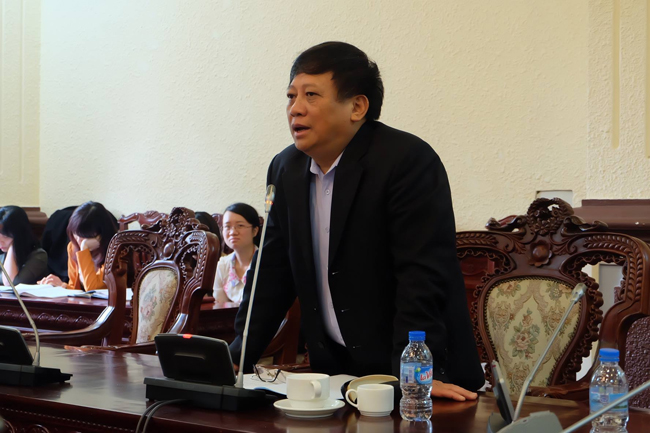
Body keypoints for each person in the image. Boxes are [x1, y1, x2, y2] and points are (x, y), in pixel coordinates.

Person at [229, 42, 485, 401]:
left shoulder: (406, 161)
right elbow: (270, 272)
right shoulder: (285, 168)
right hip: (336, 375)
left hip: (418, 377)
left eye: (311, 95)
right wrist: (236, 358)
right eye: (290, 96)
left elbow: (422, 277)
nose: (295, 108)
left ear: (357, 107)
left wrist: (414, 375)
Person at [38, 201, 117, 291]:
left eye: (85, 236)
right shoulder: (72, 247)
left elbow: (93, 288)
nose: (79, 241)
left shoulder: (115, 250)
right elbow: (75, 288)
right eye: (76, 234)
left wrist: (84, 249)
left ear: (101, 234)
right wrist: (61, 285)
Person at [212, 204, 260, 304]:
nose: (233, 232)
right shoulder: (222, 265)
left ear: (255, 231)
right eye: (227, 227)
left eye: (240, 226)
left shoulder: (267, 263)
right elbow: (220, 306)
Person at [0, 206, 48, 285]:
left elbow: (10, 282)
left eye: (6, 236)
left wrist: (13, 245)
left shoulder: (39, 255)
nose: (1, 242)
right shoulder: (2, 252)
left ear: (19, 235)